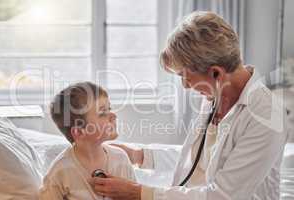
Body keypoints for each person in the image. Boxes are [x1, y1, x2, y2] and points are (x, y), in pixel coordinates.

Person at [90, 11, 288, 200]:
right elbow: (201, 160)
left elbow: (223, 196)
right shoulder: (216, 94)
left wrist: (138, 193)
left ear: (216, 73)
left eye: (185, 76)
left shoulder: (266, 117)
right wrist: (140, 156)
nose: (185, 86)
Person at [39, 82, 136, 200]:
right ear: (79, 132)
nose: (113, 116)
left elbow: (134, 196)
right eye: (102, 113)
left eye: (109, 108)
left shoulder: (121, 158)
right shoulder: (60, 172)